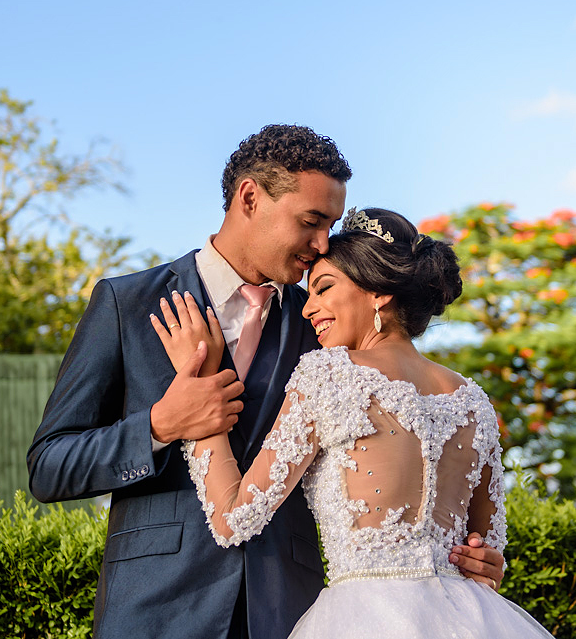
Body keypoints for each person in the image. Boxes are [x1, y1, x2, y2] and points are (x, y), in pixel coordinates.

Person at [28, 127, 505, 639]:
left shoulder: (327, 325)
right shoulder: (128, 304)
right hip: (156, 610)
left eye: (331, 226)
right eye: (311, 221)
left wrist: (472, 560)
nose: (323, 243)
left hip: (291, 614)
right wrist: (162, 424)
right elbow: (50, 466)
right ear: (250, 198)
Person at [154, 207, 553, 639]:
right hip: (474, 620)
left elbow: (234, 520)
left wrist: (200, 400)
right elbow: (485, 557)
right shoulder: (472, 400)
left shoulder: (329, 375)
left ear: (379, 291)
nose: (309, 309)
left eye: (324, 288)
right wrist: (484, 567)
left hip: (364, 618)